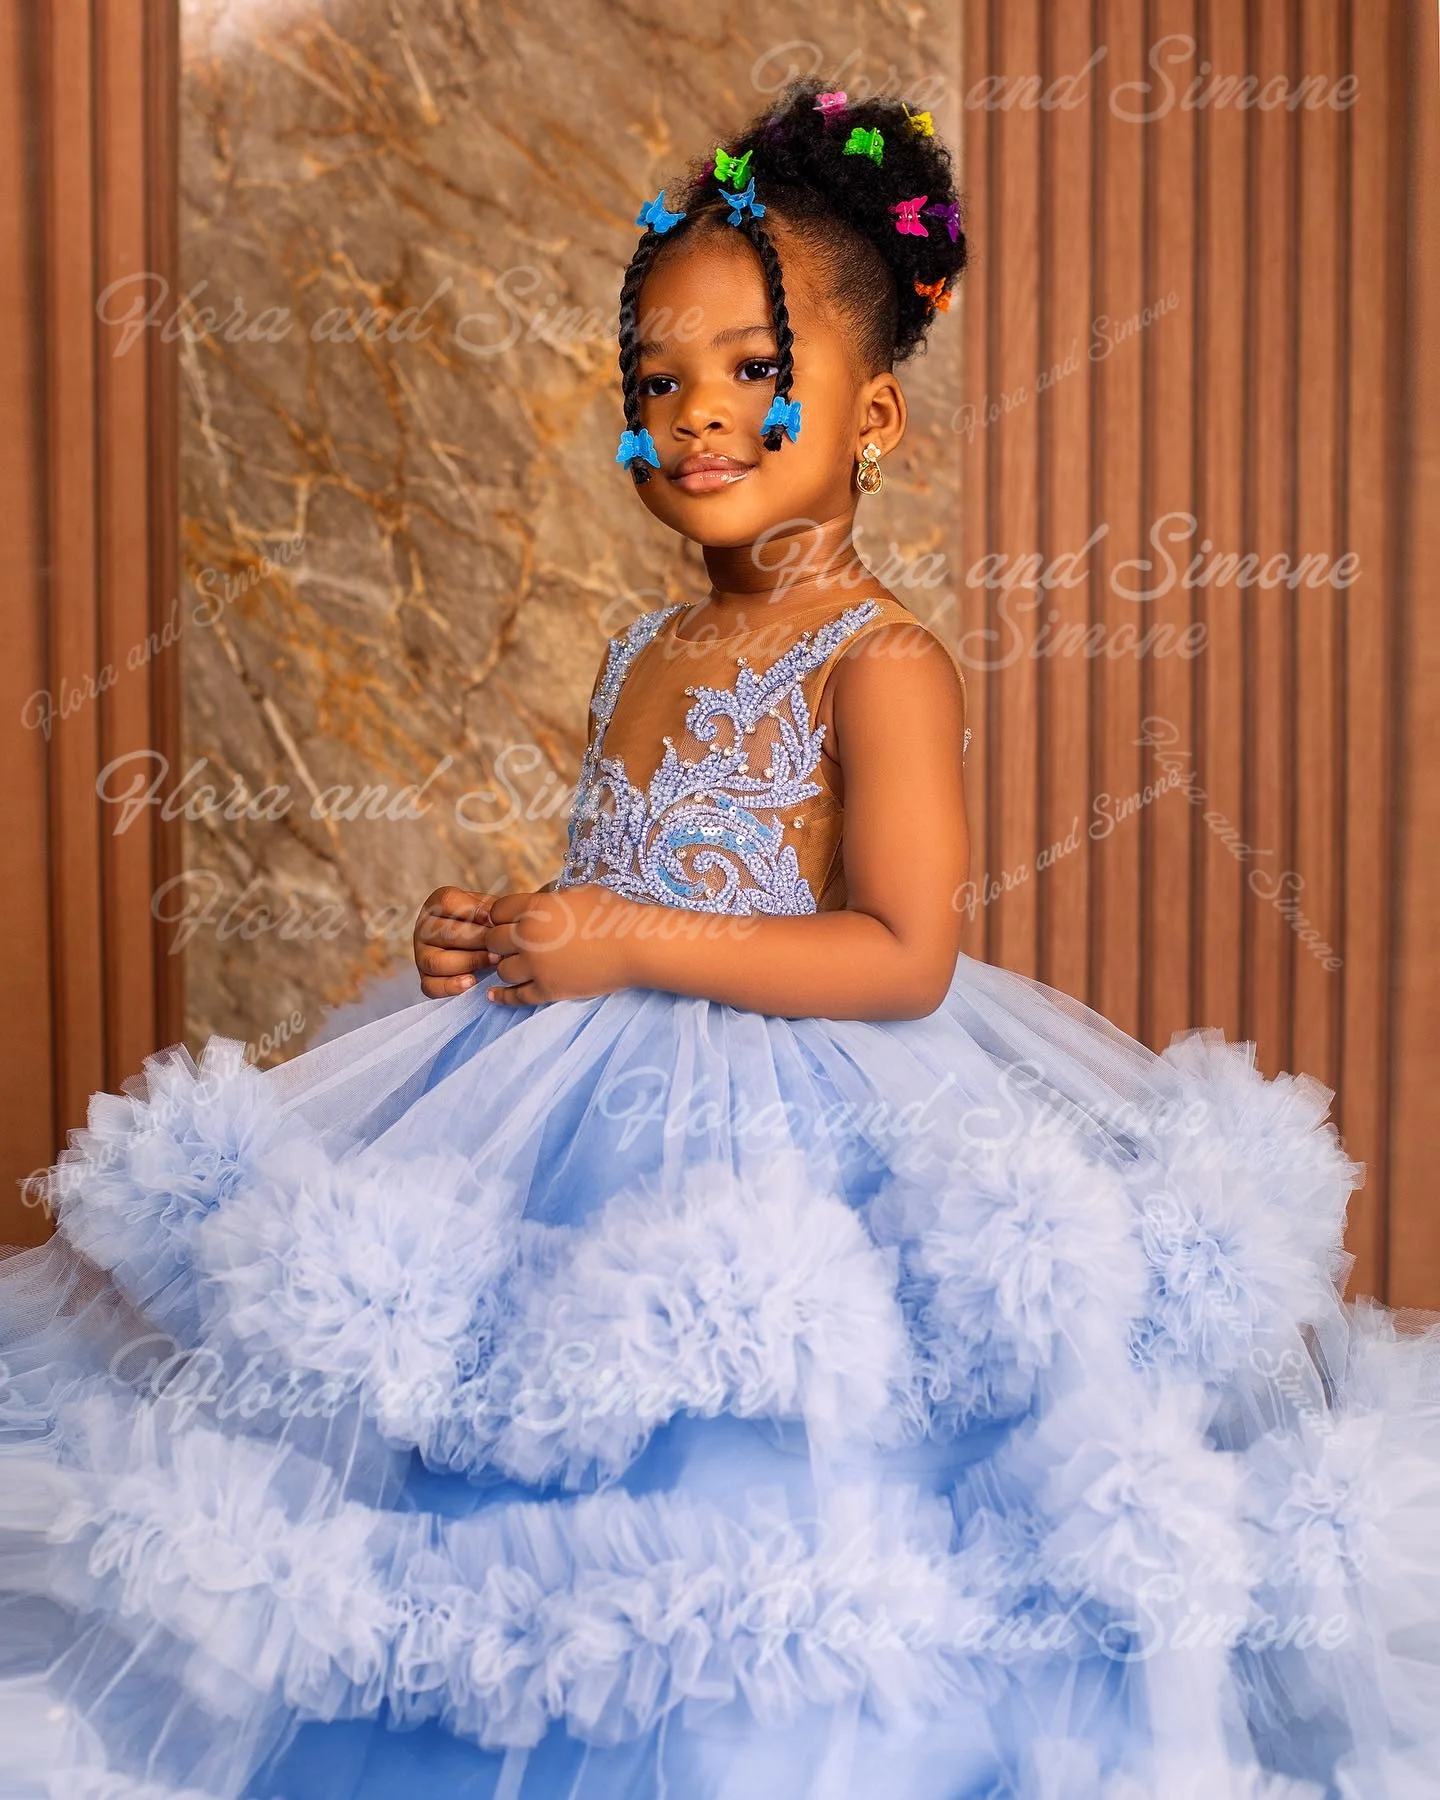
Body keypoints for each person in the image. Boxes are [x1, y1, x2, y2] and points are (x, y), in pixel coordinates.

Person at [3, 79, 1438, 1800]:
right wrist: (500, 936)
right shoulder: (637, 650)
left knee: (756, 1500)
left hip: (802, 1138)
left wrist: (635, 941)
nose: (699, 419)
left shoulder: (880, 661)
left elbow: (902, 952)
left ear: (877, 411)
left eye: (756, 373)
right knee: (501, 1470)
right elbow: (614, 868)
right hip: (571, 1109)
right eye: (657, 382)